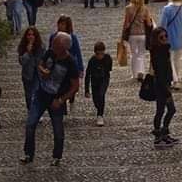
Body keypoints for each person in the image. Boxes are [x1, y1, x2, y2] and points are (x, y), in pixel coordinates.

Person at [20, 31, 79, 166]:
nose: (52, 46)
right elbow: (40, 63)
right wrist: (42, 71)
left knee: (58, 130)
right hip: (41, 95)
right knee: (30, 124)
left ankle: (57, 156)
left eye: (55, 44)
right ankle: (28, 153)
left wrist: (61, 100)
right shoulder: (50, 52)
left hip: (56, 100)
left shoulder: (70, 63)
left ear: (63, 47)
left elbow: (75, 86)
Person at [149, 27, 178, 148]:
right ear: (156, 39)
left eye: (166, 36)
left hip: (165, 83)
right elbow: (160, 72)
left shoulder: (164, 49)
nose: (165, 38)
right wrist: (166, 91)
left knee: (167, 110)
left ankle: (164, 134)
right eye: (162, 37)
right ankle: (158, 136)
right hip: (161, 85)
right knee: (164, 110)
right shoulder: (157, 52)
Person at [122, 0, 153, 81]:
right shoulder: (145, 9)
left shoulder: (128, 8)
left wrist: (122, 35)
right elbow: (148, 24)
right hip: (142, 34)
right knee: (141, 54)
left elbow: (126, 23)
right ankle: (141, 71)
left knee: (133, 54)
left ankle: (134, 74)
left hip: (132, 35)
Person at [84, 41, 113, 126]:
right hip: (94, 81)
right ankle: (99, 108)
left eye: (102, 53)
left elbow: (109, 70)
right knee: (95, 99)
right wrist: (86, 90)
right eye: (98, 54)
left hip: (104, 79)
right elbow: (87, 75)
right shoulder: (92, 60)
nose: (100, 56)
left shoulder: (108, 58)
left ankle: (100, 115)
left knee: (101, 95)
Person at [18, 26, 44, 110]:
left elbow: (43, 59)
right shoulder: (22, 47)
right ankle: (30, 110)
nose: (31, 36)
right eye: (29, 35)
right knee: (28, 95)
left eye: (33, 35)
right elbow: (22, 61)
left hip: (38, 74)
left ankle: (36, 111)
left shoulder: (41, 47)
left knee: (36, 92)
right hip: (27, 75)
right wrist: (28, 53)